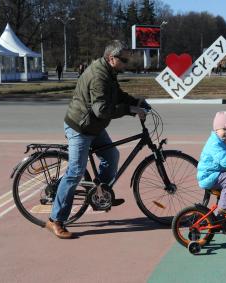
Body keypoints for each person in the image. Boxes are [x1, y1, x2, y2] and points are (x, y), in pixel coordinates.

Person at [46, 40, 148, 239]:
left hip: (94, 127)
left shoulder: (109, 72)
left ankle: (100, 193)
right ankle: (55, 220)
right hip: (80, 128)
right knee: (75, 172)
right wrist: (130, 110)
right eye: (124, 59)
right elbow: (100, 110)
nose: (126, 63)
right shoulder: (98, 75)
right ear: (112, 58)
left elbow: (116, 94)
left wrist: (136, 101)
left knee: (112, 155)